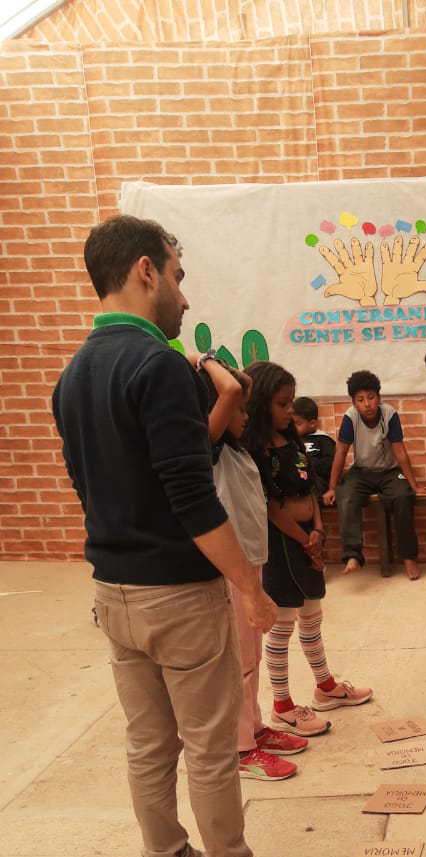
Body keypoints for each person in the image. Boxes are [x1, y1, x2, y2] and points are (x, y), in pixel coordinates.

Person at [52, 215, 276, 857]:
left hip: (113, 593)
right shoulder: (160, 366)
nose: (185, 297)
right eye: (178, 277)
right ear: (145, 271)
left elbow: (86, 487)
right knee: (209, 746)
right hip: (178, 598)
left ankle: (165, 850)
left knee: (148, 744)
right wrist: (250, 587)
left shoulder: (73, 375)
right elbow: (193, 500)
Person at [244, 361, 372, 736]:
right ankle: (282, 706)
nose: (290, 411)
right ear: (261, 403)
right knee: (282, 627)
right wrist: (304, 540)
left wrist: (317, 528)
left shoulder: (293, 441)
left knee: (312, 617)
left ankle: (325, 686)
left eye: (291, 403)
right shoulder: (256, 450)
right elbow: (271, 506)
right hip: (282, 545)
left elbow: (310, 488)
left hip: (307, 538)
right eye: (282, 404)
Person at [199, 358, 308, 781]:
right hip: (233, 568)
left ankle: (256, 728)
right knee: (240, 660)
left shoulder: (240, 448)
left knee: (253, 655)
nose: (245, 415)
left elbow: (238, 387)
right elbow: (230, 389)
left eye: (248, 408)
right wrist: (204, 360)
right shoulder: (208, 446)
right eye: (239, 409)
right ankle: (242, 748)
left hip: (253, 561)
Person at [322, 370, 421, 580]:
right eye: (360, 400)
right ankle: (353, 555)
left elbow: (400, 452)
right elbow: (340, 453)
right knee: (346, 497)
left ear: (379, 397)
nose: (367, 404)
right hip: (361, 473)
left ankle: (408, 557)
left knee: (403, 497)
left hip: (390, 472)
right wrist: (331, 487)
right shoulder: (350, 417)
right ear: (354, 402)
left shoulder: (389, 414)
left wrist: (414, 485)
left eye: (371, 397)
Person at [292, 396, 336, 497]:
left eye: (298, 424)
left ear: (312, 423)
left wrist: (309, 463)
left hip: (317, 481)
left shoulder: (324, 439)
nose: (293, 427)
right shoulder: (291, 440)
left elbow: (330, 463)